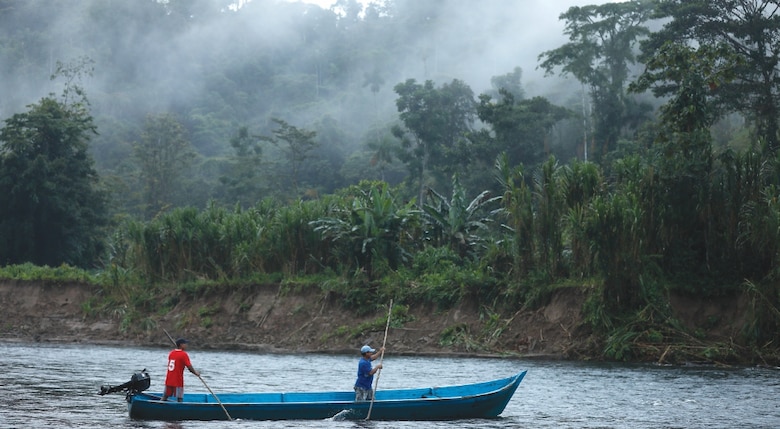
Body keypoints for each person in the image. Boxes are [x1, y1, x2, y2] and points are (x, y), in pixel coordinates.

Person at [161, 338, 200, 402]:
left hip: (169, 379)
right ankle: (180, 409)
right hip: (177, 380)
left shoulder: (171, 353)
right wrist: (196, 373)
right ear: (181, 345)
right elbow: (189, 367)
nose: (187, 345)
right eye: (185, 344)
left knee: (165, 396)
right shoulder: (184, 354)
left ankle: (160, 405)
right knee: (180, 398)